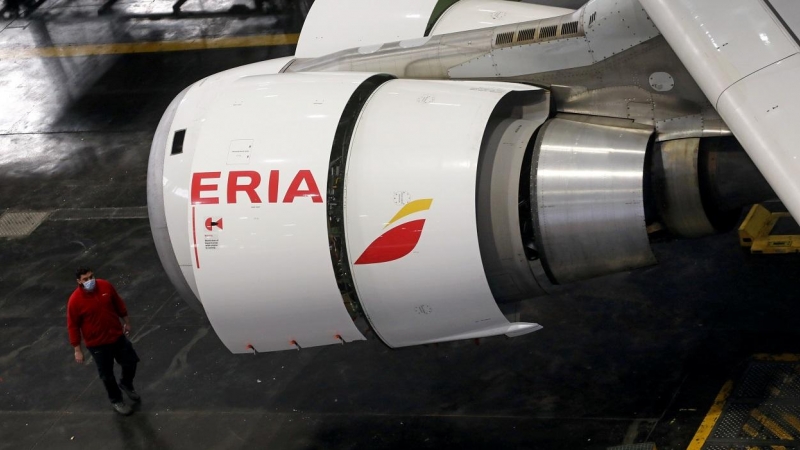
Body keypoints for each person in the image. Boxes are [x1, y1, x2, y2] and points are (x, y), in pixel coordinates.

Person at [67, 267, 141, 415]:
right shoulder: (75, 301)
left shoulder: (106, 286)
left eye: (91, 277)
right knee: (107, 375)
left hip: (116, 336)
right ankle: (116, 400)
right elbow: (73, 325)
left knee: (130, 361)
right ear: (79, 281)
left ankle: (126, 384)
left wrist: (126, 321)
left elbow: (118, 303)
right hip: (98, 344)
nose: (90, 281)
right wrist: (77, 349)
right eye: (86, 279)